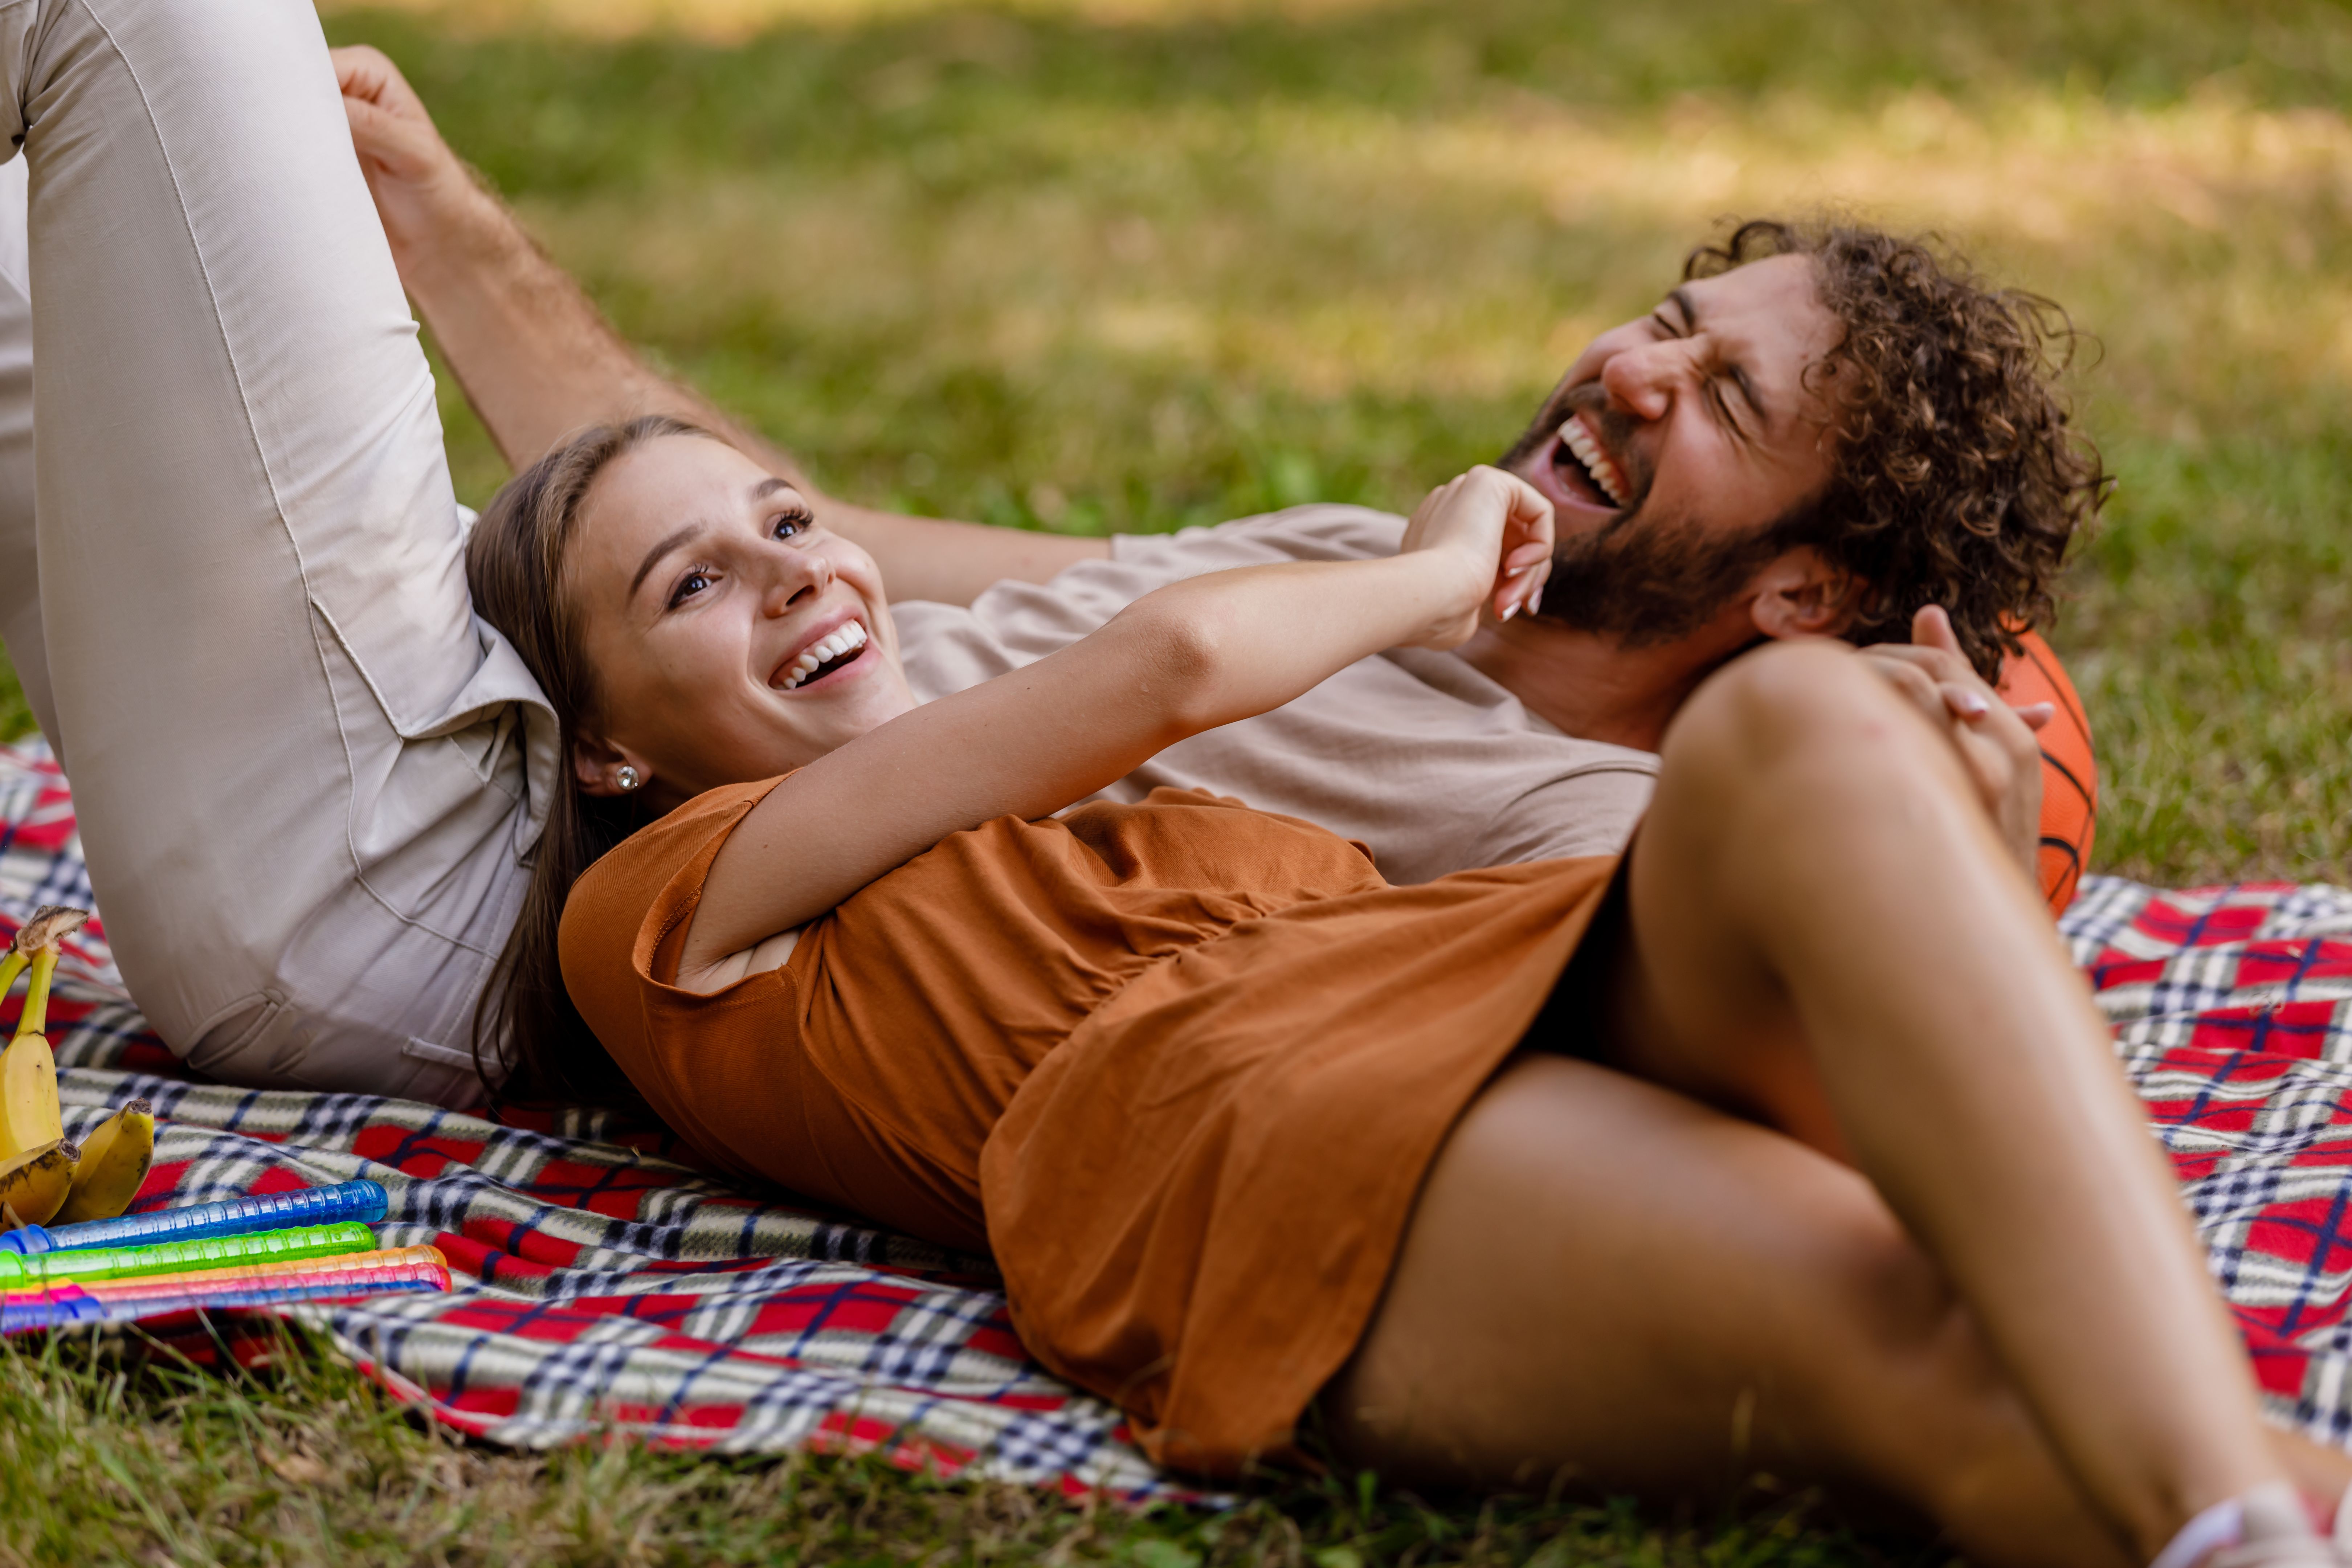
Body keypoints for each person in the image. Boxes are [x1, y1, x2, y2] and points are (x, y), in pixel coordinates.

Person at [470, 409, 2345, 1568]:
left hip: (1426, 985)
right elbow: (1184, 657)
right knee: (1949, 1359)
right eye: (689, 587)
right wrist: (1436, 566)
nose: (788, 574)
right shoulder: (665, 901)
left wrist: (1962, 833)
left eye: (788, 518)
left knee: (1800, 719)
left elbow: (1593, 876)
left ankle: (2227, 1502)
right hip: (1233, 1124)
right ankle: (2249, 1520)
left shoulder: (1109, 822)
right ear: (615, 748)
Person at [333, 45, 2105, 915]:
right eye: (1665, 315)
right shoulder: (1349, 552)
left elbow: (1772, 958)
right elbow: (841, 546)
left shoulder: (1576, 822)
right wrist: (428, 202)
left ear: (1802, 590)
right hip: (545, 696)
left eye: (1721, 395)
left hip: (440, 848)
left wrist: (1924, 805)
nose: (1628, 371)